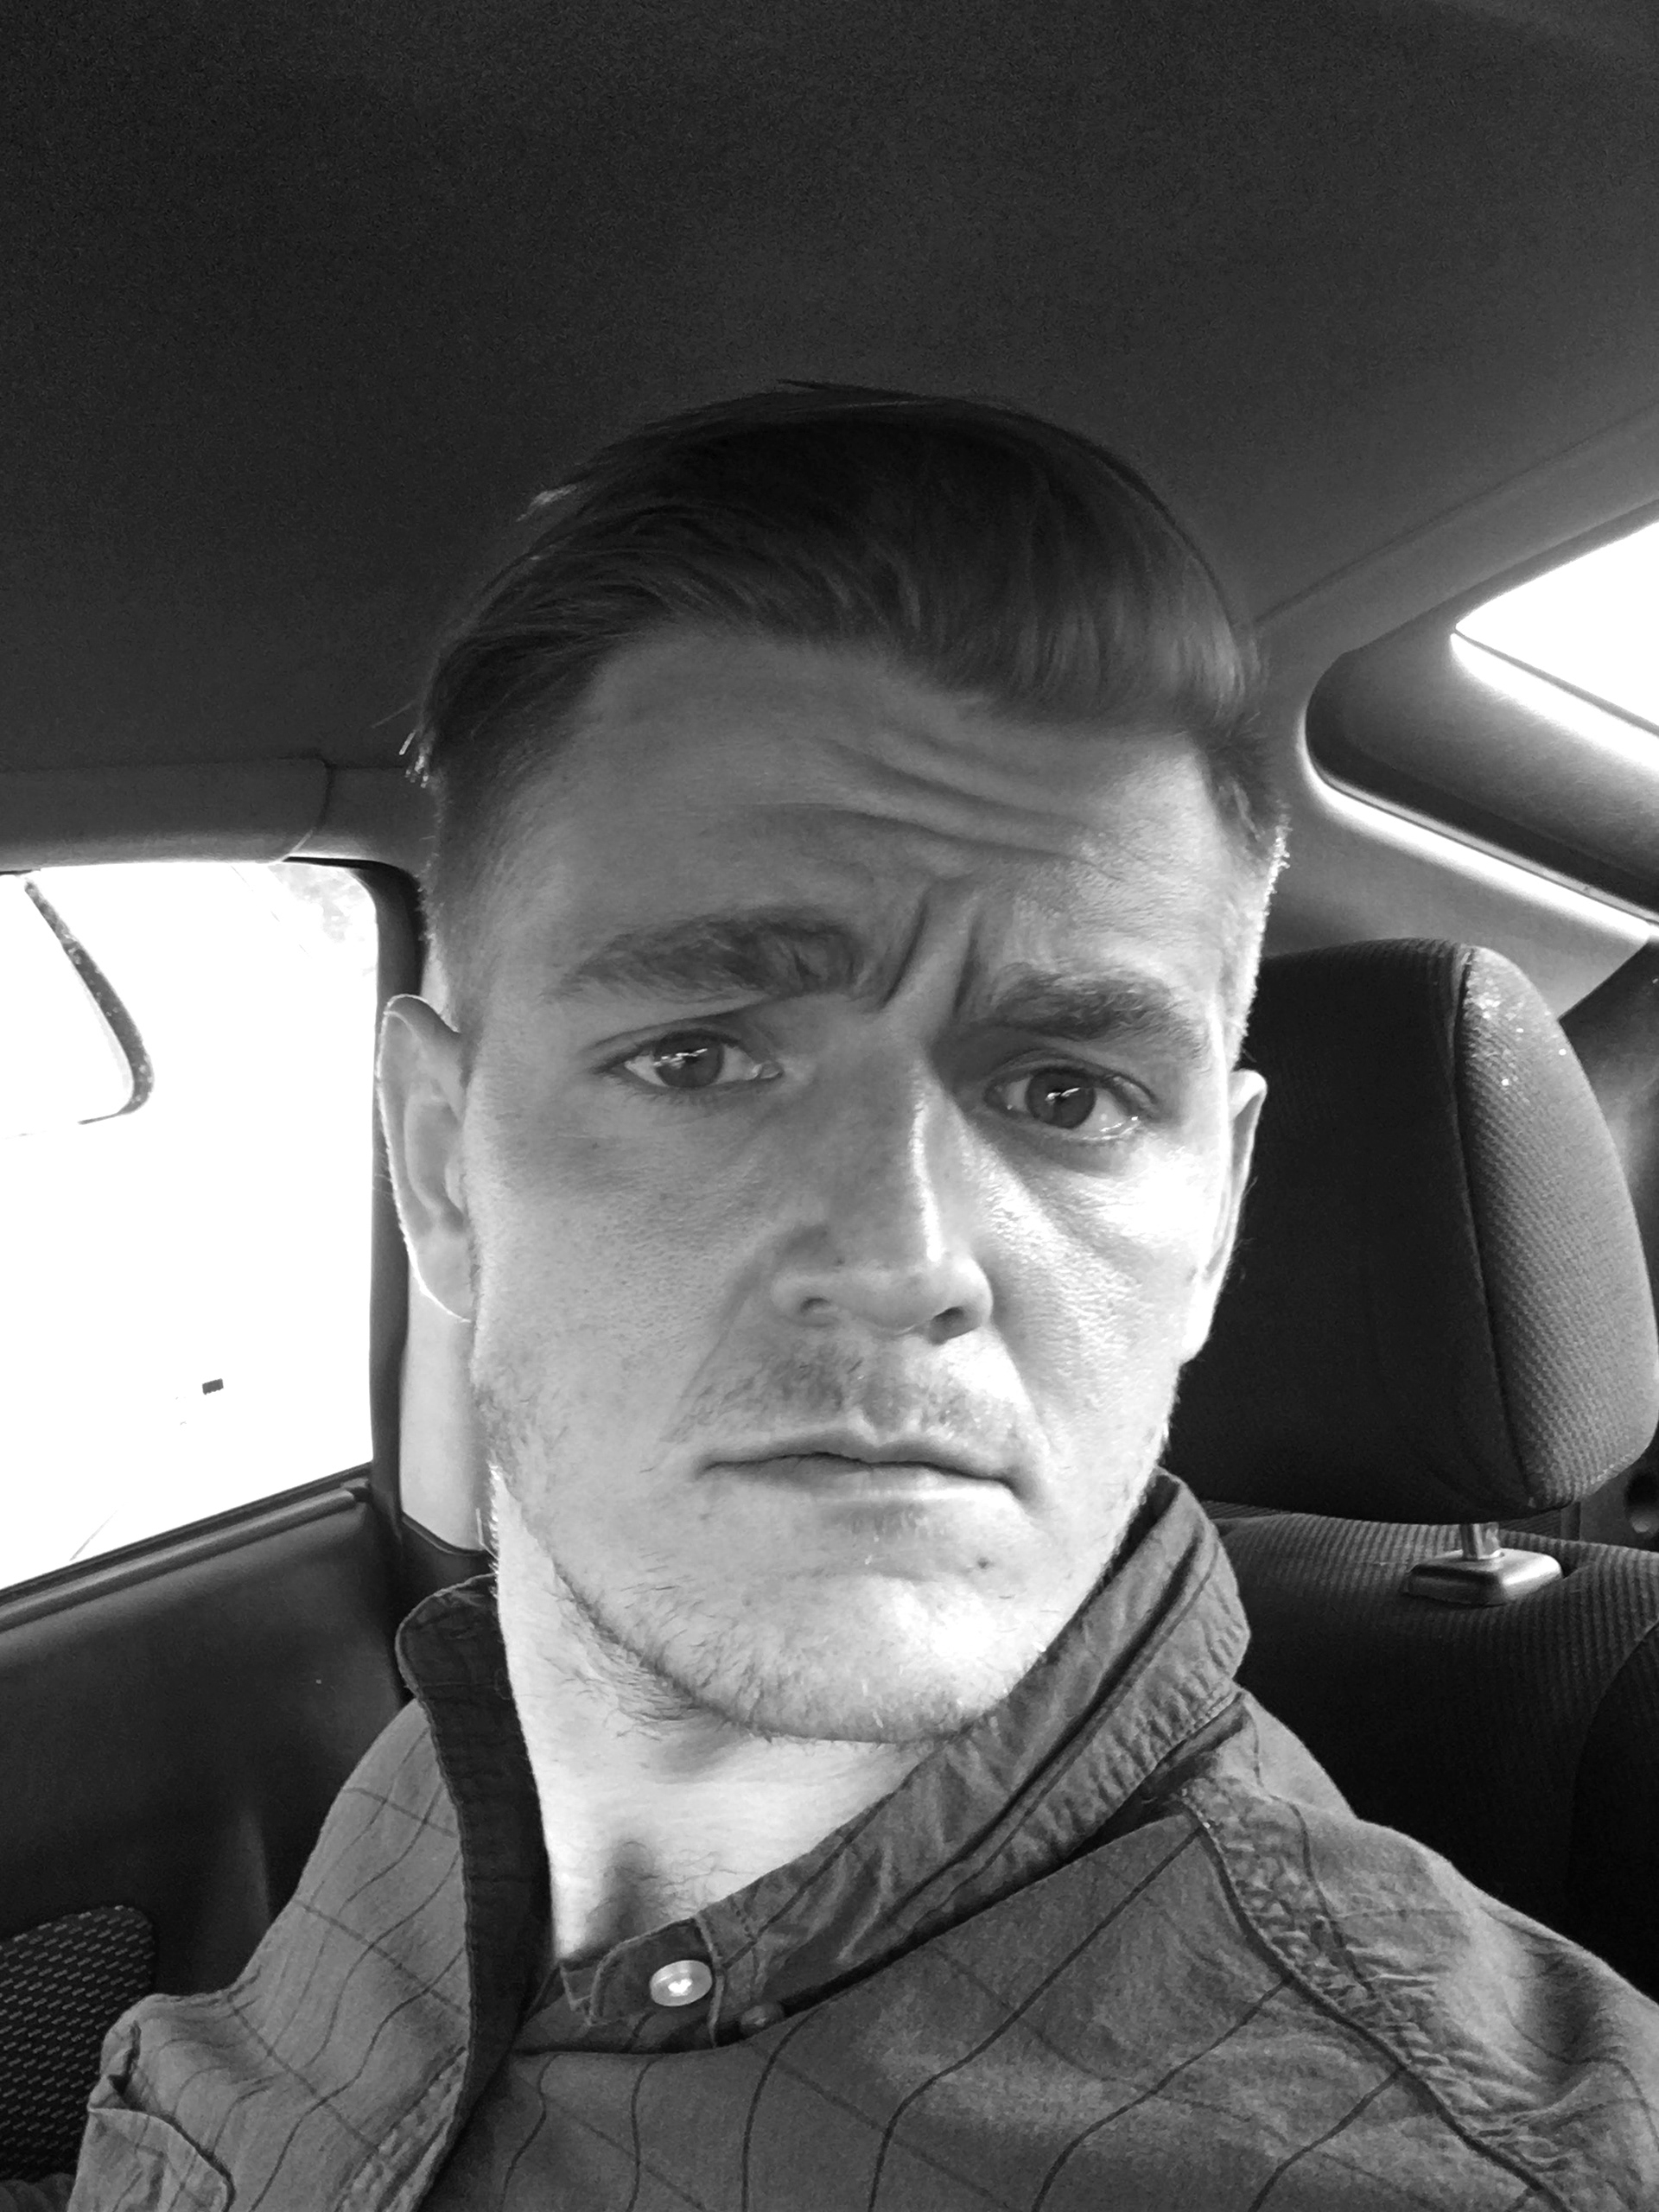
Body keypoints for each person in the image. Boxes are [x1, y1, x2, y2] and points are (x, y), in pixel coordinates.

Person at [20, 387, 1659, 2209]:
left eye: (1068, 1092)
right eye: (702, 1058)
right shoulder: (436, 1780)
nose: (904, 1259)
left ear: (1211, 1226)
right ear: (440, 1169)